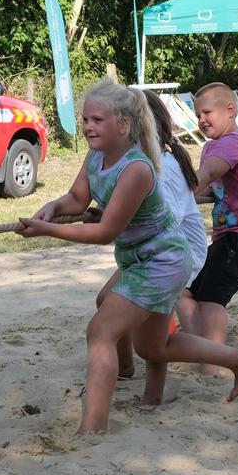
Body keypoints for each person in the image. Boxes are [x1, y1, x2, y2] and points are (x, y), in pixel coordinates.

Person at [16, 80, 238, 433]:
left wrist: (46, 231)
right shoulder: (96, 157)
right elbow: (76, 199)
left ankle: (92, 428)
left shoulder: (137, 169)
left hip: (163, 261)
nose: (87, 127)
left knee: (101, 330)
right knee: (154, 347)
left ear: (124, 125)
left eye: (98, 120)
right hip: (141, 258)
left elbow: (104, 233)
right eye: (85, 119)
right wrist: (53, 209)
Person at [92, 90, 207, 385]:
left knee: (152, 327)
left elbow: (164, 219)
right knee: (108, 299)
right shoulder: (136, 161)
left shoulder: (161, 166)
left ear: (134, 125)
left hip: (171, 253)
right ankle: (125, 368)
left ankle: (152, 387)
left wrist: (111, 219)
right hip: (148, 250)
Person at [175, 83, 238, 374]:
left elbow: (203, 177)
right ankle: (200, 350)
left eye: (207, 112)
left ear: (230, 110)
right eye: (197, 115)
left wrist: (167, 191)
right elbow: (206, 191)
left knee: (211, 300)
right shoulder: (212, 146)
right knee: (187, 294)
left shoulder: (232, 143)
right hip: (230, 235)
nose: (202, 119)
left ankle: (211, 366)